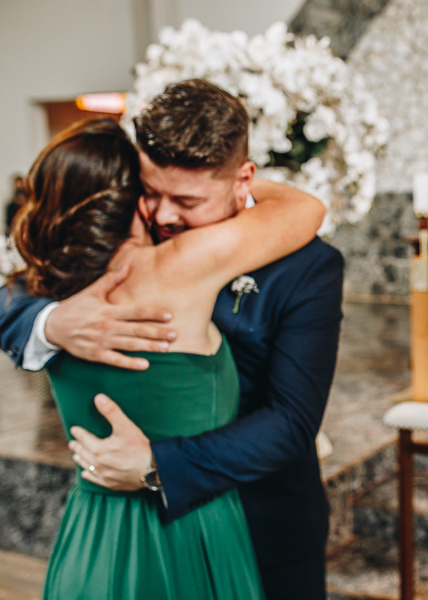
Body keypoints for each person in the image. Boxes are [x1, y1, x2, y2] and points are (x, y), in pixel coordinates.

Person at [0, 80, 344, 600]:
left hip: (261, 520)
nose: (162, 215)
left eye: (186, 200)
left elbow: (292, 420)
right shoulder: (114, 248)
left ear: (242, 180)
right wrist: (51, 322)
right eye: (150, 192)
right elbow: (18, 291)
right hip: (137, 534)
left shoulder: (306, 266)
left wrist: (158, 465)